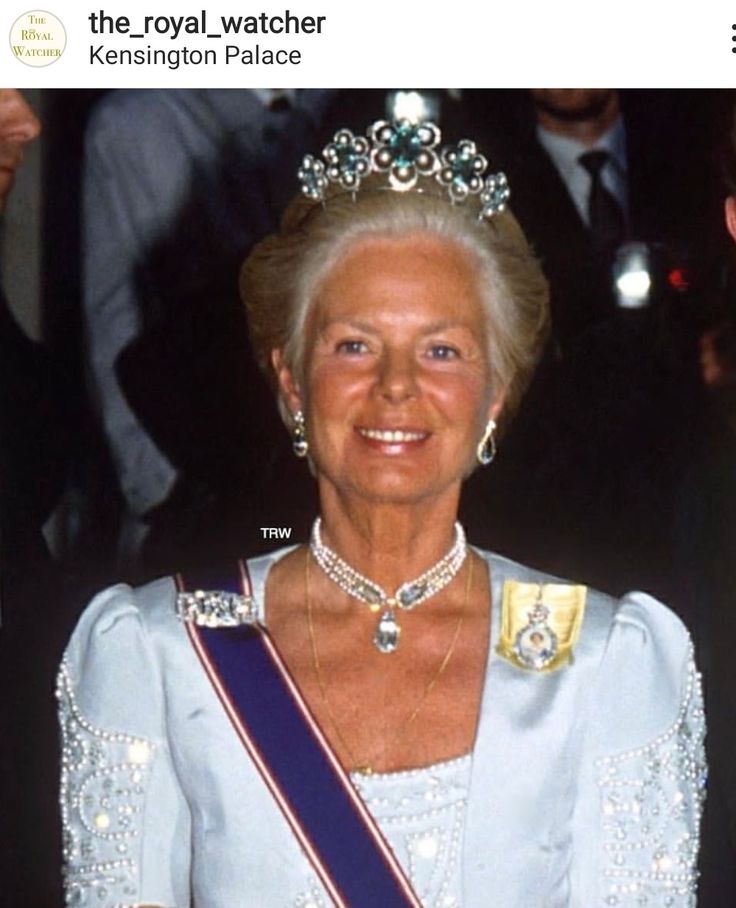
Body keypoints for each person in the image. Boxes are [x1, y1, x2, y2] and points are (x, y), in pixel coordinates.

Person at [59, 118, 705, 907]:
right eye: (354, 345)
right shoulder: (160, 650)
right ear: (292, 385)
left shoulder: (604, 660)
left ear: (494, 397)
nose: (396, 386)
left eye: (442, 350)